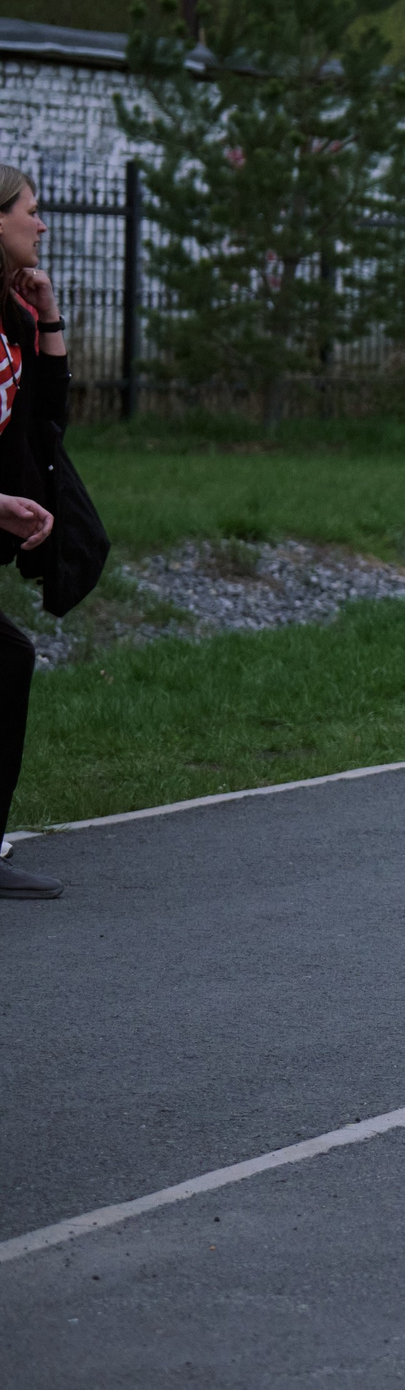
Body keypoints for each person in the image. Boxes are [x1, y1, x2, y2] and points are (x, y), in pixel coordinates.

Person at [0, 168, 71, 898]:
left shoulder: (12, 313)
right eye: (30, 211)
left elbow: (49, 413)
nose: (41, 225)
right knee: (7, 658)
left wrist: (47, 313)